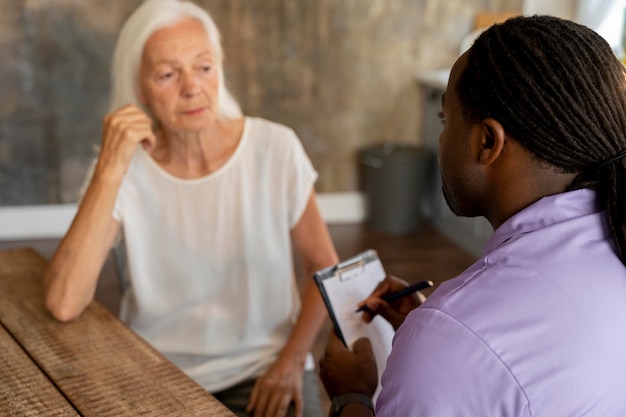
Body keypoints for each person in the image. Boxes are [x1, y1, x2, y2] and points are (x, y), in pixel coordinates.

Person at [318, 14, 626, 417]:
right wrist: (441, 332)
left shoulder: (455, 341)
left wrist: (352, 395)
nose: (442, 137)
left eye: (446, 120)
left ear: (487, 141)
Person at [42, 1, 339, 417]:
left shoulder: (275, 148)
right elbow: (63, 302)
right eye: (167, 74)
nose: (192, 87)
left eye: (204, 67)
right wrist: (110, 165)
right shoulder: (122, 170)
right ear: (141, 89)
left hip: (263, 369)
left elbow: (324, 268)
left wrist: (290, 361)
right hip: (153, 372)